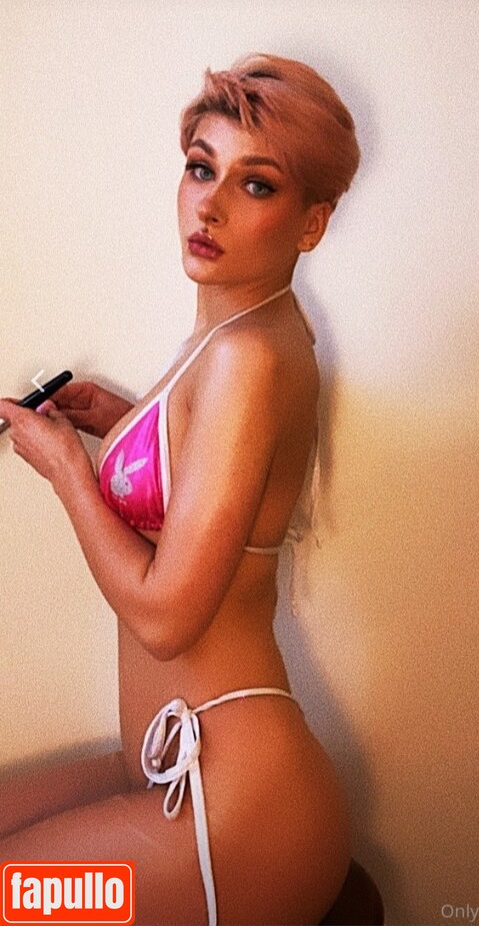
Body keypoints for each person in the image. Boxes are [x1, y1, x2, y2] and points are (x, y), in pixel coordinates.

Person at [0, 52, 361, 925]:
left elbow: (166, 618)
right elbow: (218, 486)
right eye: (202, 168)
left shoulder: (246, 356)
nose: (210, 204)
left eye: (256, 184)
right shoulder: (238, 334)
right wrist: (125, 423)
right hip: (174, 769)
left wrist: (68, 471)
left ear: (311, 223)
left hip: (232, 816)